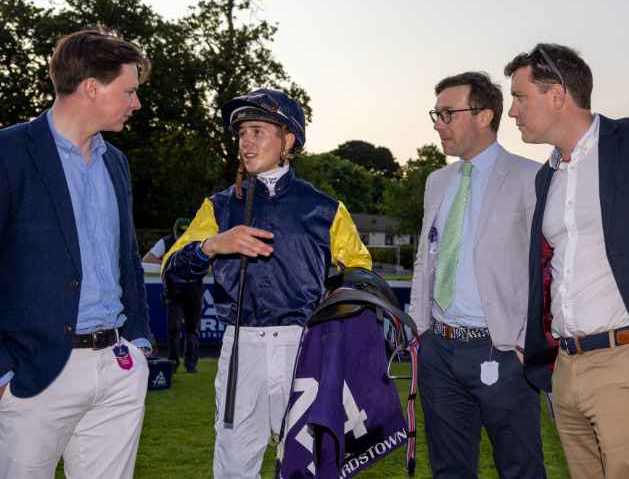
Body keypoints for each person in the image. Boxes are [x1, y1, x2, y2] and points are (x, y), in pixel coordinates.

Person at [162, 89, 372, 479]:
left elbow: (361, 273)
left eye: (257, 131)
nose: (245, 141)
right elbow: (173, 272)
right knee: (234, 468)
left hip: (305, 346)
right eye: (241, 133)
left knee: (310, 466)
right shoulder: (218, 207)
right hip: (242, 344)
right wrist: (211, 245)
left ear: (288, 139)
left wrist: (336, 310)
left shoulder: (325, 208)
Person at [505, 44, 629, 479]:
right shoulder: (546, 174)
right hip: (566, 370)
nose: (512, 111)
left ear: (558, 95)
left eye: (519, 96)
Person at [0, 27, 153, 479]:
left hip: (117, 368)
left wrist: (139, 343)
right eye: (129, 91)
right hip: (33, 376)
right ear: (91, 87)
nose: (136, 103)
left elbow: (128, 259)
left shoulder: (115, 161)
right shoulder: (9, 153)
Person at [409, 71, 545, 478]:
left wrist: (525, 341)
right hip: (440, 352)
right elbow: (425, 258)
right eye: (436, 114)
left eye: (447, 114)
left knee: (520, 468)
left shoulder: (530, 177)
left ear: (485, 116)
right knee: (449, 470)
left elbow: (546, 266)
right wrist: (421, 334)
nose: (438, 124)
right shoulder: (438, 181)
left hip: (503, 352)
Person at [144, 218, 204, 373]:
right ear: (174, 231)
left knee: (193, 329)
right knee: (174, 328)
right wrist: (169, 262)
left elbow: (209, 262)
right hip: (173, 291)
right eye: (180, 234)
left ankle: (191, 365)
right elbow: (147, 259)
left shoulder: (198, 240)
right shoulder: (166, 242)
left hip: (194, 291)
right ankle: (173, 363)